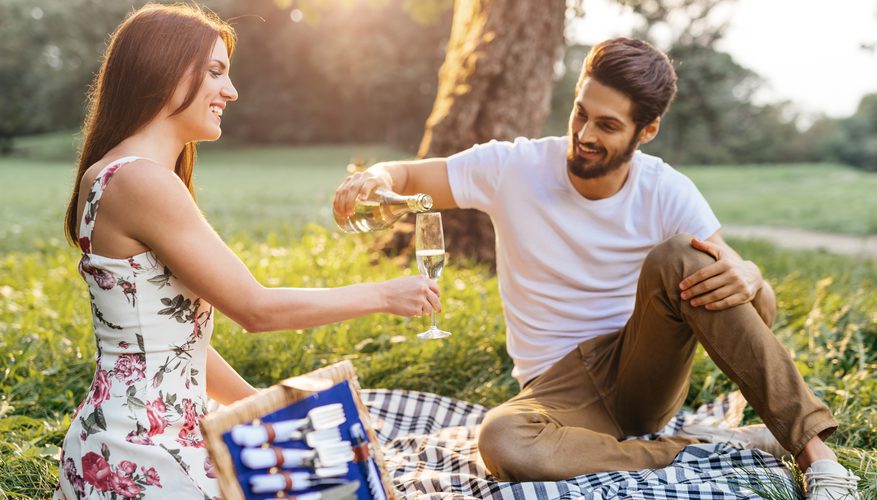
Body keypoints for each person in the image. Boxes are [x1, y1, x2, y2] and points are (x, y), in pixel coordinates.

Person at [333, 38, 859, 498]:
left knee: (693, 261)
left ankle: (820, 459)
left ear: (646, 130)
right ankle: (696, 447)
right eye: (580, 113)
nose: (584, 134)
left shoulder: (665, 189)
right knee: (501, 439)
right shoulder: (513, 166)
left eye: (607, 125)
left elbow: (738, 290)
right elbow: (407, 173)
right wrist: (372, 176)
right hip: (555, 390)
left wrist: (750, 274)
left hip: (640, 367)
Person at [55, 4, 441, 499]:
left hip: (118, 442)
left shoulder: (112, 173)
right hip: (147, 456)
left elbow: (174, 346)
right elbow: (257, 310)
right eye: (215, 72)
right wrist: (385, 295)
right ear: (164, 70)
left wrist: (261, 405)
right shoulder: (141, 180)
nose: (231, 91)